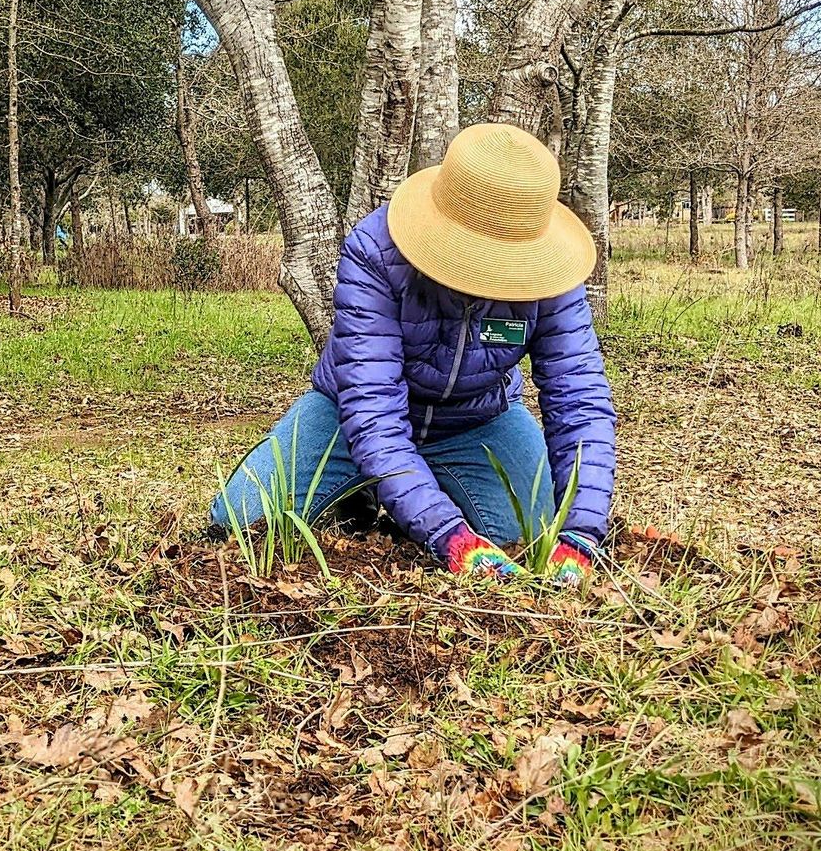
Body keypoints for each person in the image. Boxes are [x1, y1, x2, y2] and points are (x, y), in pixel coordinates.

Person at [210, 122, 616, 582]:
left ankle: (421, 487)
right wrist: (449, 535)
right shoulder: (375, 253)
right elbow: (372, 410)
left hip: (478, 418)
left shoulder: (552, 276)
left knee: (529, 532)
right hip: (348, 415)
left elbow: (579, 400)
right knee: (237, 519)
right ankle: (365, 492)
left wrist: (581, 533)